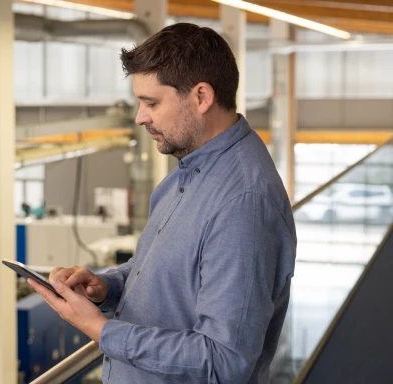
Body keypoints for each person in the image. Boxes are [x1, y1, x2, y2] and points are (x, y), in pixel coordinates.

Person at [28, 22, 296, 384]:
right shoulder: (182, 176)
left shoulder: (243, 204)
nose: (140, 117)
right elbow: (164, 274)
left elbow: (223, 361)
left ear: (201, 97)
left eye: (151, 102)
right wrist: (106, 288)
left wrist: (102, 331)